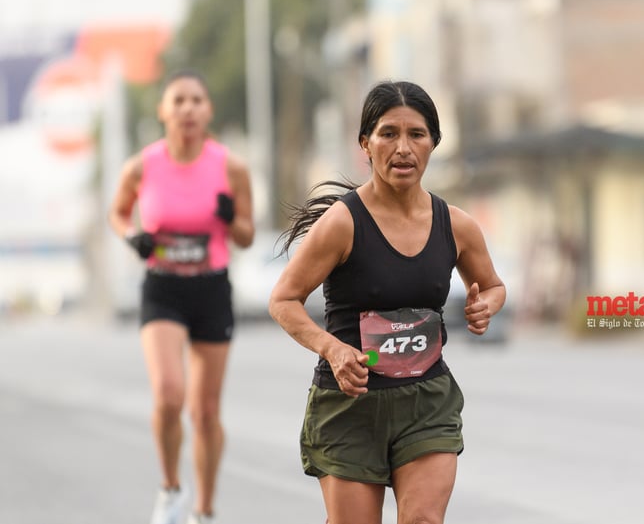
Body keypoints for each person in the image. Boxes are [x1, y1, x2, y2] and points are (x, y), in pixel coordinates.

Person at [268, 80, 506, 524]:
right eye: (388, 133)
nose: (403, 148)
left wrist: (485, 306)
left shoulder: (457, 225)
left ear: (433, 142)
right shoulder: (343, 223)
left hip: (426, 401)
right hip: (349, 405)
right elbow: (283, 300)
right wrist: (333, 349)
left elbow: (493, 286)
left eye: (416, 134)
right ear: (366, 144)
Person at [108, 70, 255, 524]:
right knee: (170, 396)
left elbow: (247, 236)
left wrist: (233, 220)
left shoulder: (231, 167)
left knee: (205, 411)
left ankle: (203, 511)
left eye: (196, 100)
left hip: (211, 286)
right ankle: (170, 489)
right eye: (179, 100)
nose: (188, 108)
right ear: (164, 112)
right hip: (163, 287)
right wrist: (132, 235)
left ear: (208, 111)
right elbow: (117, 212)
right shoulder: (141, 166)